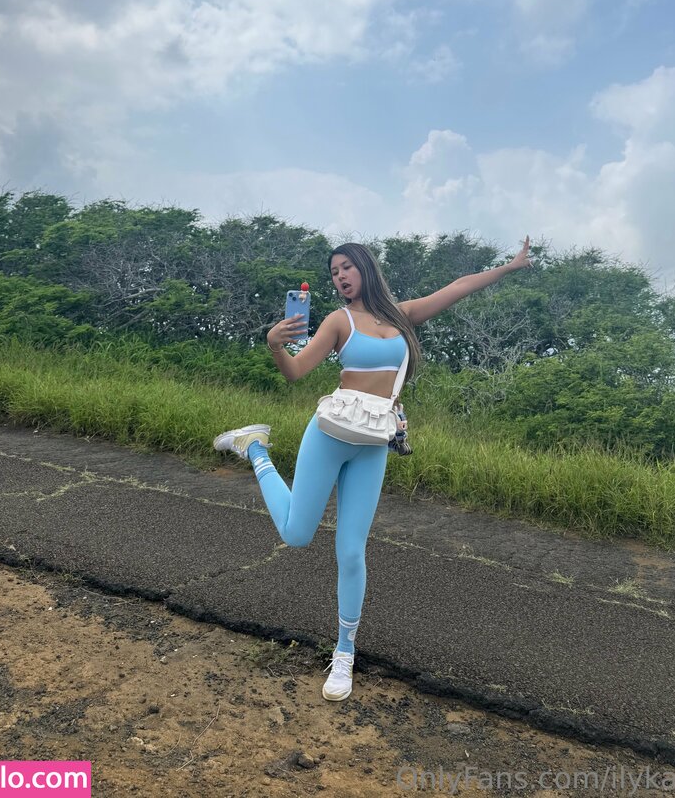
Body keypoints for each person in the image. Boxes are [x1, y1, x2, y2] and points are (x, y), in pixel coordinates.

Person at [214, 237, 532, 701]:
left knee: (351, 552)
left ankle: (345, 651)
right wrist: (274, 346)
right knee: (297, 535)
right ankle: (256, 448)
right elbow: (296, 372)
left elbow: (460, 286)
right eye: (334, 272)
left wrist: (510, 266)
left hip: (373, 442)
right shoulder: (337, 321)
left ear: (365, 267)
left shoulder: (402, 315)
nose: (340, 276)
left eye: (346, 267)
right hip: (329, 435)